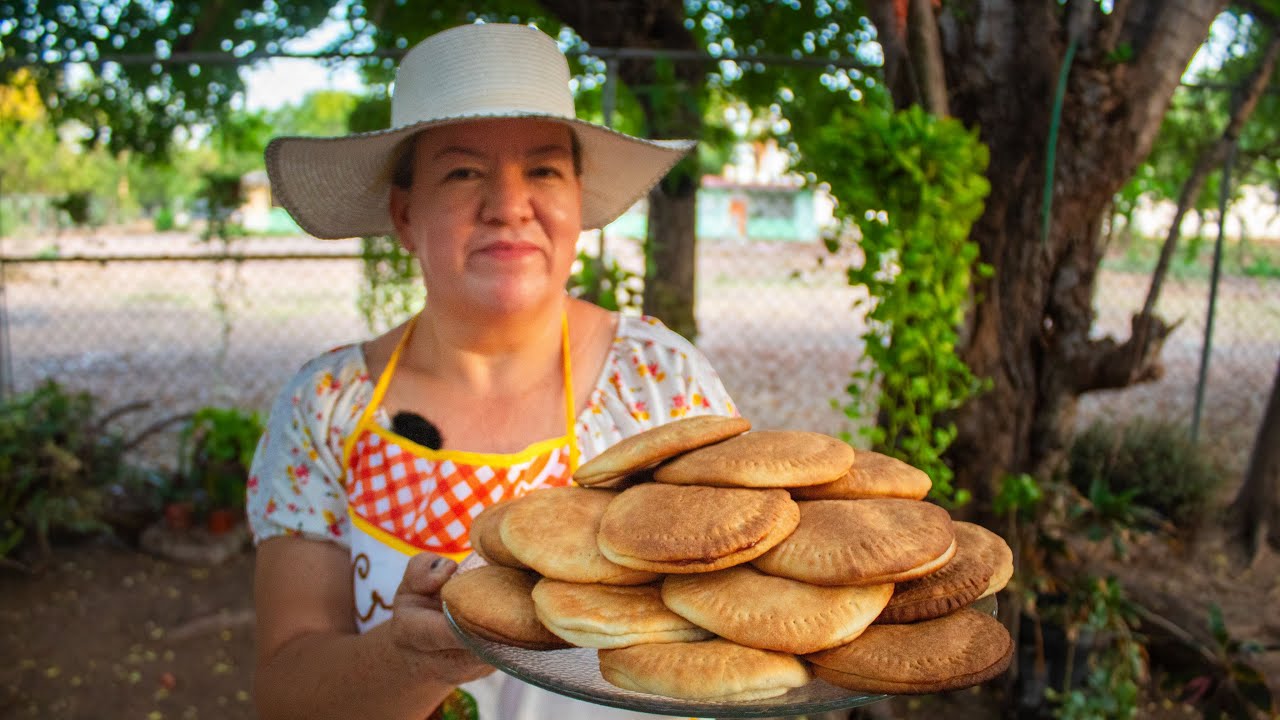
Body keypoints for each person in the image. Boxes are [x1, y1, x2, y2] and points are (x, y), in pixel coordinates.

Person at [247, 22, 738, 720]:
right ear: (405, 214)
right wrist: (408, 660)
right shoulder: (326, 408)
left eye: (543, 170)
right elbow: (285, 692)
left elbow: (733, 623)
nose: (508, 207)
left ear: (577, 200)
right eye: (463, 172)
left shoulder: (661, 382)